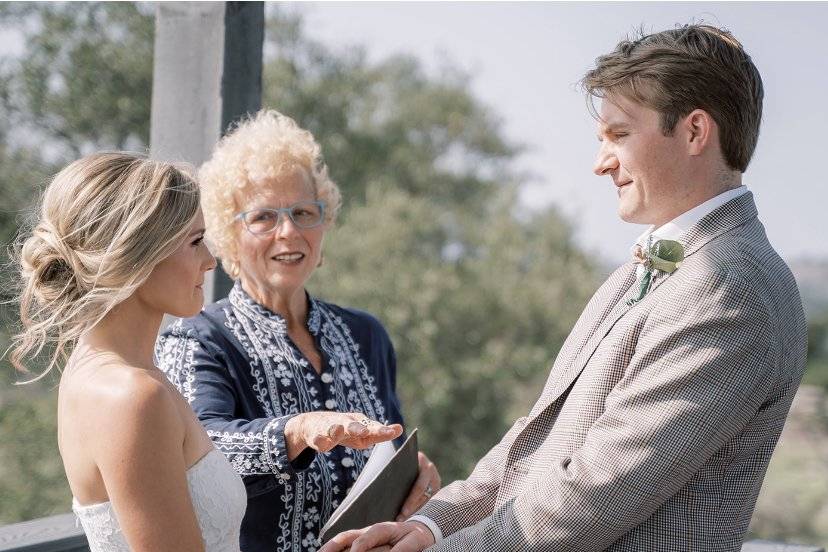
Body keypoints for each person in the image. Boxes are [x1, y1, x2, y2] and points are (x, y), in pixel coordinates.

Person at [321, 24, 808, 552]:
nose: (600, 164)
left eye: (619, 135)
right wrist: (430, 524)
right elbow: (540, 439)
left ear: (694, 132)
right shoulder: (649, 267)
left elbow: (596, 493)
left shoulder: (730, 287)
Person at [155, 110, 441, 552]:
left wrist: (415, 475)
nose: (288, 232)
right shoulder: (197, 339)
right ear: (227, 235)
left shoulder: (366, 335)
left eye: (304, 212)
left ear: (324, 224)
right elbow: (198, 452)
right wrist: (298, 429)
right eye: (264, 217)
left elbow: (390, 447)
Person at [12, 152, 247, 551]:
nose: (210, 261)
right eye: (195, 241)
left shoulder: (101, 372)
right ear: (137, 254)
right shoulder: (131, 396)